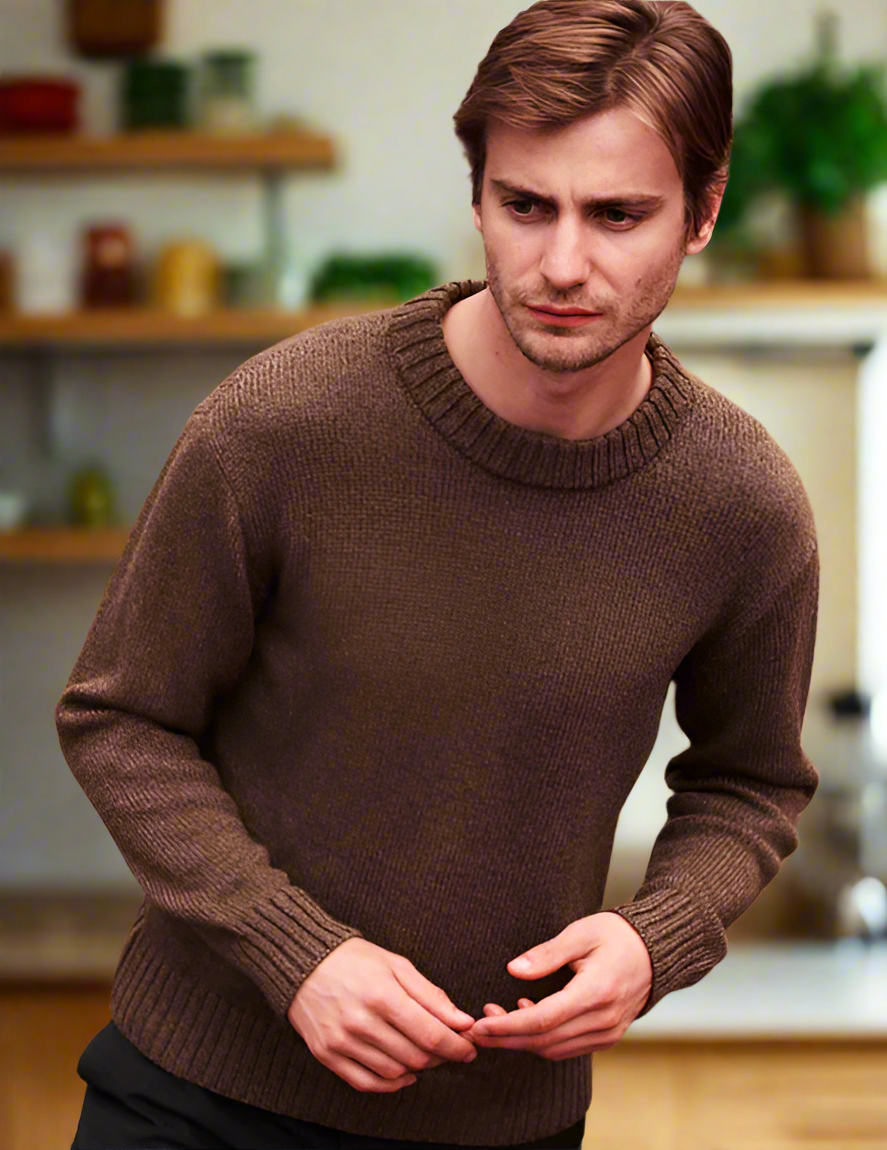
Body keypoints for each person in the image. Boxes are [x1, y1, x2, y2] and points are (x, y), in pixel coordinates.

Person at [59, 1, 820, 1148]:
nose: (562, 262)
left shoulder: (742, 504)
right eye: (525, 206)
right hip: (196, 1103)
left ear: (700, 212)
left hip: (504, 1126)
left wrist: (653, 936)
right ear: (476, 195)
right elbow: (121, 718)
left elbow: (749, 785)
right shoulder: (278, 423)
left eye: (618, 215)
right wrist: (294, 949)